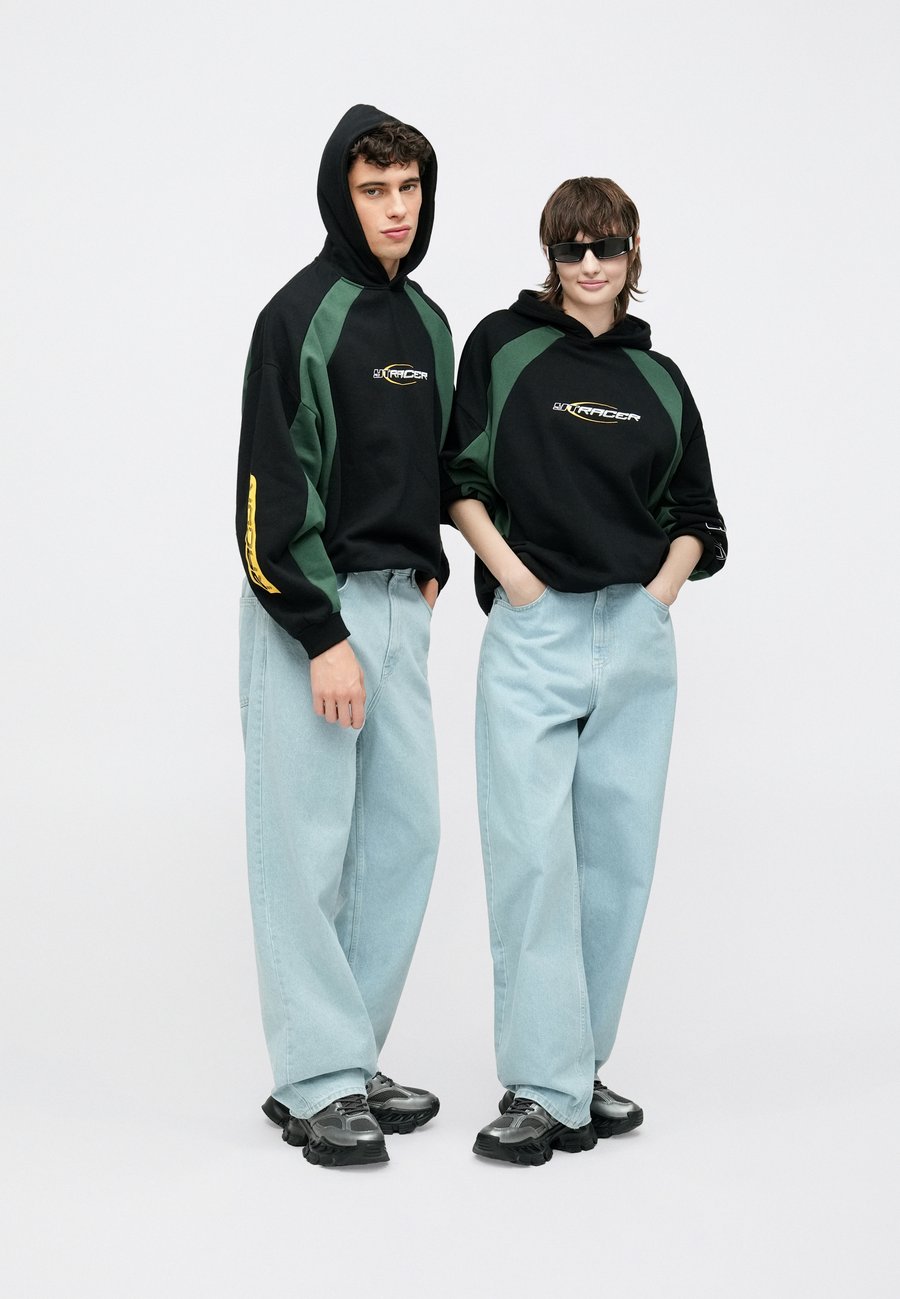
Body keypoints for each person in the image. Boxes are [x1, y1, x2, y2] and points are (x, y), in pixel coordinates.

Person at [443, 177, 727, 1166]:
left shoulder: (661, 378)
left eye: (606, 247)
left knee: (615, 866)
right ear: (551, 256)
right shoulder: (504, 346)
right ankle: (541, 1086)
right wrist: (518, 581)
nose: (590, 265)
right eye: (572, 249)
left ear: (632, 253)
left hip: (636, 636)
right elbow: (459, 479)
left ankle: (576, 1067)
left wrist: (657, 597)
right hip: (537, 630)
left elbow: (698, 514)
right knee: (532, 859)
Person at [237, 105, 453, 1168]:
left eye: (408, 188)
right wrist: (319, 629)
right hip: (310, 605)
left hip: (399, 607)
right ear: (341, 196)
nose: (395, 209)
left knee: (404, 837)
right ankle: (315, 1078)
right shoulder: (298, 316)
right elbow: (268, 490)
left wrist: (430, 569)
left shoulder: (431, 325)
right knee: (307, 841)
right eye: (375, 190)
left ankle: (350, 1057)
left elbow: (437, 462)